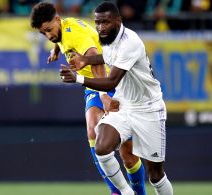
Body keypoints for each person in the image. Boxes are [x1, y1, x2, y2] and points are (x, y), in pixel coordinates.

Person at [30, 2, 146, 195]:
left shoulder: (75, 33)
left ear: (57, 20)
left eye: (49, 30)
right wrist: (56, 49)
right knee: (93, 131)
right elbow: (61, 38)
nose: (48, 36)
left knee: (128, 155)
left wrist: (104, 95)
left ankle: (137, 192)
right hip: (92, 85)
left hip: (113, 81)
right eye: (43, 33)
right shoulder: (62, 28)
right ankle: (117, 191)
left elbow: (96, 59)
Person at [60, 2, 174, 195]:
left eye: (105, 22)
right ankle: (125, 193)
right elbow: (107, 56)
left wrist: (78, 78)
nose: (101, 27)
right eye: (97, 22)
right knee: (102, 146)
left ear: (118, 21)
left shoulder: (130, 42)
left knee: (155, 174)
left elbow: (111, 81)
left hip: (149, 108)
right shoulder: (108, 38)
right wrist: (86, 60)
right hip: (124, 105)